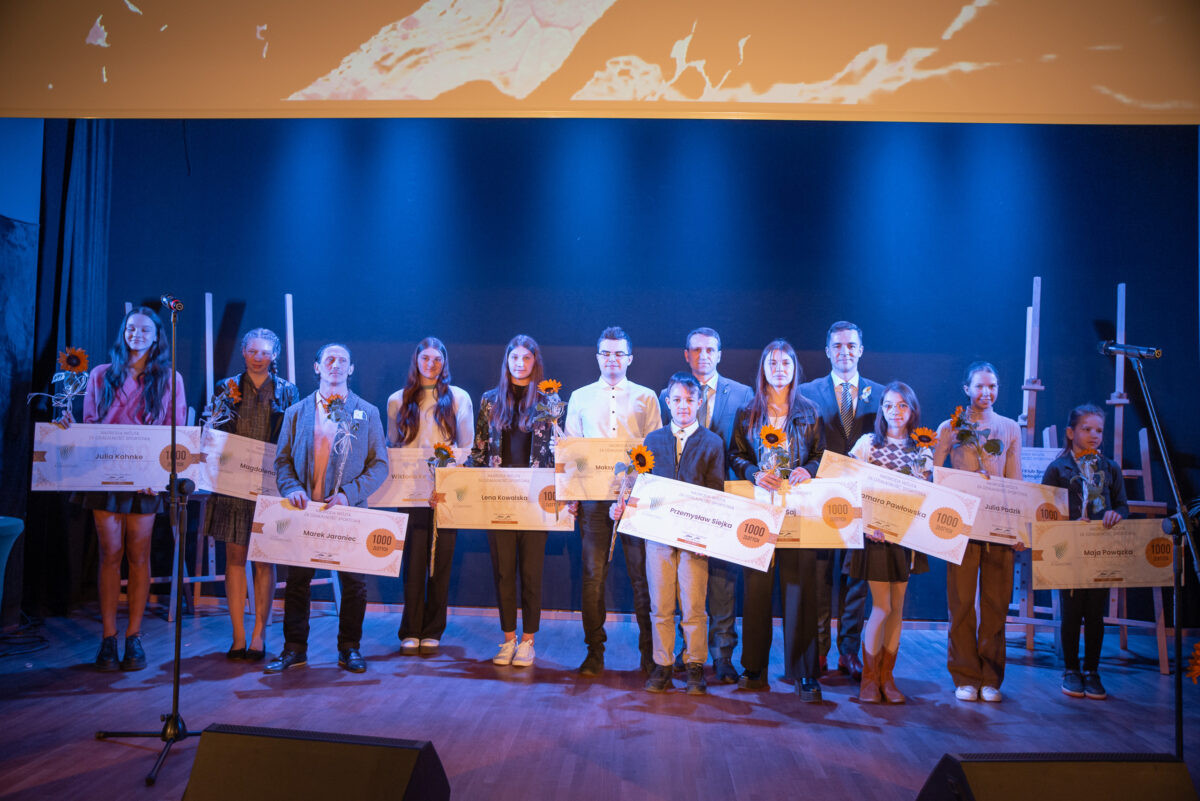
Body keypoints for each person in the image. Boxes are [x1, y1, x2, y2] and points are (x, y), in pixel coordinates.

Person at [266, 343, 387, 674]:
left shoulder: (367, 412)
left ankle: (349, 648)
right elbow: (282, 461)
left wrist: (349, 494)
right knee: (297, 582)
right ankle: (294, 649)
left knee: (354, 584)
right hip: (305, 513)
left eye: (342, 360)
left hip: (347, 511)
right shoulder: (296, 412)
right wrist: (292, 488)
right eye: (329, 359)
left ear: (351, 369)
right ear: (317, 367)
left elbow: (380, 465)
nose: (336, 364)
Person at [77, 306, 187, 671]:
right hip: (106, 476)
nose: (136, 335)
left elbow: (175, 429)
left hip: (146, 481)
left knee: (139, 556)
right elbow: (90, 423)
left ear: (157, 337)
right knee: (110, 553)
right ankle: (108, 638)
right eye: (130, 328)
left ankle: (134, 637)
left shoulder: (170, 378)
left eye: (144, 330)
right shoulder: (100, 374)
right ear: (123, 332)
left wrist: (160, 476)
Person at [728, 340, 826, 701]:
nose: (779, 369)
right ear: (764, 369)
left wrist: (809, 469)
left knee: (800, 590)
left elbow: (821, 455)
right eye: (773, 363)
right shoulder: (747, 412)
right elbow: (736, 454)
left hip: (799, 511)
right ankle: (754, 668)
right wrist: (754, 473)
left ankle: (805, 673)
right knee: (756, 590)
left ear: (795, 368)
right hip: (759, 510)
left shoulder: (810, 411)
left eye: (786, 363)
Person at [565, 326, 661, 677]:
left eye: (619, 353)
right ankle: (594, 652)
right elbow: (571, 451)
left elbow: (656, 447)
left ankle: (650, 655)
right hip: (593, 500)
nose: (612, 359)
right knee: (593, 577)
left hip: (636, 500)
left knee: (642, 578)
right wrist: (571, 494)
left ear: (630, 359)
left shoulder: (647, 397)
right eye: (606, 353)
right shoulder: (579, 397)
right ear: (597, 357)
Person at [658, 327, 752, 684]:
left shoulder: (742, 394)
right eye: (696, 350)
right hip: (680, 505)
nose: (703, 355)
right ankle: (688, 652)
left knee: (724, 582)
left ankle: (723, 655)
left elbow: (745, 449)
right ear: (687, 355)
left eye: (710, 349)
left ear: (720, 354)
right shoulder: (668, 394)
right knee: (685, 584)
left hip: (726, 500)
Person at [202, 328, 299, 663]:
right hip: (233, 485)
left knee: (264, 558)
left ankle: (259, 634)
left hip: (269, 484)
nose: (259, 358)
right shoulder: (226, 387)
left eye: (265, 352)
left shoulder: (287, 390)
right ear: (244, 352)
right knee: (234, 557)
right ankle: (238, 635)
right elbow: (214, 431)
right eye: (253, 351)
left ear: (275, 355)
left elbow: (292, 437)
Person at [931, 361, 1023, 702]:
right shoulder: (950, 426)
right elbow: (934, 473)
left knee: (996, 603)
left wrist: (1018, 529)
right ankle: (965, 674)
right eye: (980, 386)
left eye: (992, 386)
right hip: (962, 526)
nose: (987, 392)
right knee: (961, 602)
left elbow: (1015, 480)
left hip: (998, 525)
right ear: (966, 389)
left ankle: (991, 677)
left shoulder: (1009, 427)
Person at [469, 335, 562, 668]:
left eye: (526, 357)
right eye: (514, 357)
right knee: (504, 572)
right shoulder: (489, 401)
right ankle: (508, 639)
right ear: (506, 361)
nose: (520, 363)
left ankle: (528, 641)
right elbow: (479, 451)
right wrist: (462, 484)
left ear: (535, 362)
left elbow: (559, 453)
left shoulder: (550, 402)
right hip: (499, 499)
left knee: (531, 573)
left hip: (536, 502)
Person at [799, 321, 883, 682]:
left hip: (862, 500)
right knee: (819, 576)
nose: (844, 351)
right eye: (837, 345)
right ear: (827, 351)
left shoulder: (881, 395)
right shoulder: (806, 392)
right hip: (819, 497)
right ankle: (819, 649)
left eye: (851, 345)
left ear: (861, 350)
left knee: (855, 579)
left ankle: (849, 651)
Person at [638, 372, 725, 695]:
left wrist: (707, 537)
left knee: (693, 604)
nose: (683, 406)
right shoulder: (653, 440)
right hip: (658, 536)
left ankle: (694, 665)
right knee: (660, 604)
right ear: (667, 401)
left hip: (694, 539)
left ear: (700, 402)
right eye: (677, 399)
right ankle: (662, 663)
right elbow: (643, 485)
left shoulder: (712, 442)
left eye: (690, 400)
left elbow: (715, 493)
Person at [387, 337, 474, 656]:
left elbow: (467, 447)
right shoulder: (397, 400)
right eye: (425, 358)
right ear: (416, 360)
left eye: (437, 359)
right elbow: (393, 446)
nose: (431, 364)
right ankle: (410, 630)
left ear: (444, 362)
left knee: (441, 561)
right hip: (410, 492)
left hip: (445, 492)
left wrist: (448, 470)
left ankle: (433, 630)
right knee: (412, 563)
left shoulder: (459, 398)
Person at [846, 382, 931, 704]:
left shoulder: (922, 450)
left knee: (897, 609)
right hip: (875, 539)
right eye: (889, 405)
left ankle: (887, 677)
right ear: (881, 410)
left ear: (912, 410)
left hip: (906, 539)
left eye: (902, 405)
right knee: (882, 606)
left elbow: (925, 496)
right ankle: (869, 679)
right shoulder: (867, 444)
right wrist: (868, 522)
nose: (896, 412)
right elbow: (848, 486)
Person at [1041, 404, 1128, 701]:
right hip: (1069, 550)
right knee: (1071, 610)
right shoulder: (1058, 468)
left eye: (1099, 430)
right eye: (1086, 429)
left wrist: (1116, 514)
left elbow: (1122, 505)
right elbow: (1045, 510)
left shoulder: (1110, 468)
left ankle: (1092, 670)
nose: (1094, 435)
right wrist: (1068, 523)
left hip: (1099, 549)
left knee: (1095, 612)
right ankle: (1070, 669)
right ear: (1071, 432)